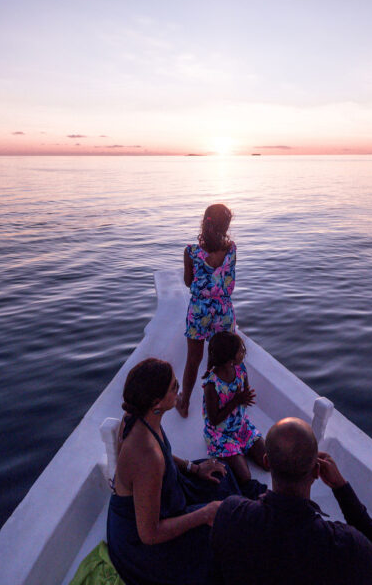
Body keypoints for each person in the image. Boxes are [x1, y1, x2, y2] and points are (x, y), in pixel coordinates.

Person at [211, 417, 372, 585]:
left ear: (266, 462)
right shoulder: (344, 545)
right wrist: (341, 487)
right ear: (317, 471)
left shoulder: (231, 513)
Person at [106, 358, 242, 585]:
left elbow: (163, 455)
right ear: (156, 402)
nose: (179, 388)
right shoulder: (146, 456)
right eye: (174, 387)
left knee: (221, 474)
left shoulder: (138, 414)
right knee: (225, 533)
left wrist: (194, 468)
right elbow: (149, 535)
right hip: (143, 543)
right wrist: (205, 514)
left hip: (163, 495)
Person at [177, 203, 236, 418]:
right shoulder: (231, 249)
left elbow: (187, 282)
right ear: (226, 225)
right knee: (223, 357)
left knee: (193, 359)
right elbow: (230, 281)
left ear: (204, 222)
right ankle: (222, 401)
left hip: (199, 310)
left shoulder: (191, 251)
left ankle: (184, 404)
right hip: (223, 309)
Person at [202, 331, 267, 495]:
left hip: (241, 426)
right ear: (229, 358)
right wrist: (236, 401)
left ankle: (243, 449)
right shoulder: (212, 384)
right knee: (244, 477)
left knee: (268, 462)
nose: (243, 353)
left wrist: (245, 398)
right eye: (240, 351)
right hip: (221, 434)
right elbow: (214, 419)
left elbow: (243, 393)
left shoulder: (241, 369)